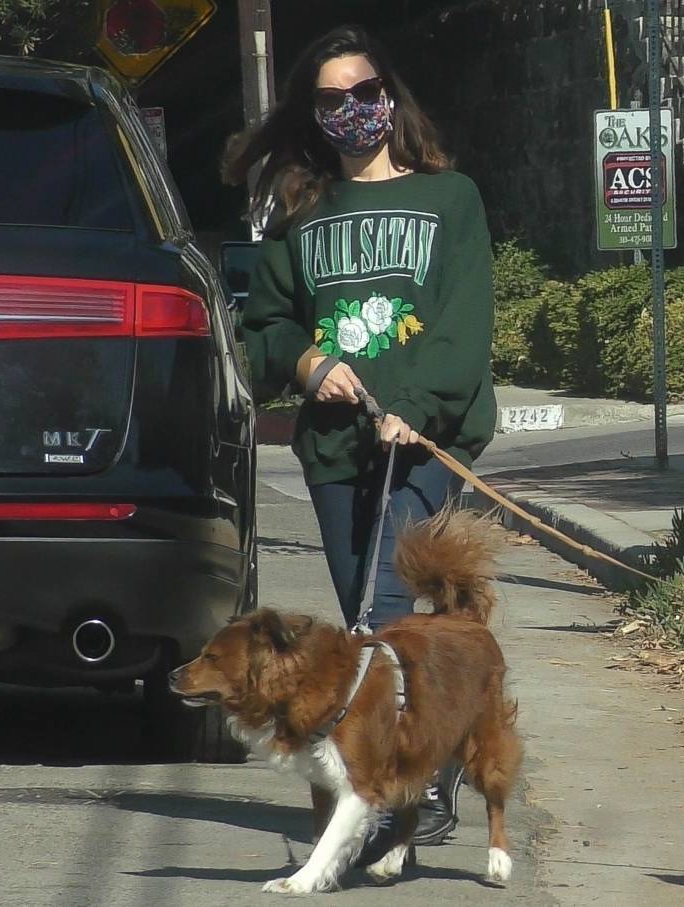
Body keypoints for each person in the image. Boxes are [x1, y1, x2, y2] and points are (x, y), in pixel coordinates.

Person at [227, 24, 496, 857]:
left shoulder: (451, 200)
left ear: (390, 96)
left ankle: (404, 804)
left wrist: (410, 402)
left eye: (365, 93)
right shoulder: (301, 212)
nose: (354, 111)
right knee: (365, 625)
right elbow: (262, 328)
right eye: (332, 100)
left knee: (385, 620)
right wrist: (309, 362)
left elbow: (463, 322)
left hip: (420, 444)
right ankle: (411, 782)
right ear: (314, 113)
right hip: (338, 454)